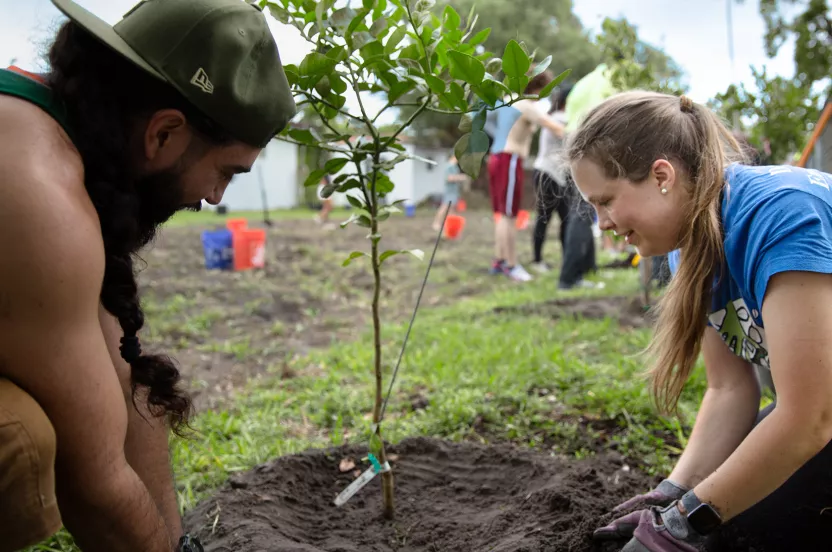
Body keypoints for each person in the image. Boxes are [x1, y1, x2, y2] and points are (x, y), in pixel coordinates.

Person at [0, 1, 295, 551]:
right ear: (164, 133)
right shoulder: (40, 193)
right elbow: (97, 488)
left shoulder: (47, 121)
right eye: (226, 172)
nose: (214, 198)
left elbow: (122, 375)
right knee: (20, 440)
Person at [568, 90, 832, 551]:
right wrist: (671, 498)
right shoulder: (690, 242)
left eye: (606, 201)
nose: (602, 224)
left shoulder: (782, 216)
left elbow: (812, 416)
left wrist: (686, 524)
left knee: (753, 526)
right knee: (734, 504)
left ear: (662, 176)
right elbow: (730, 389)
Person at [487, 71, 566, 282]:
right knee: (509, 214)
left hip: (496, 158)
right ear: (536, 87)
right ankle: (512, 265)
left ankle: (500, 260)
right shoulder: (525, 105)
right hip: (510, 159)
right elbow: (555, 128)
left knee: (502, 214)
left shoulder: (507, 100)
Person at [529, 85, 572, 273]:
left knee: (564, 219)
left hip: (558, 176)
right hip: (548, 174)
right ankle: (537, 261)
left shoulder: (558, 118)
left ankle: (566, 260)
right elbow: (570, 135)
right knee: (544, 218)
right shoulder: (559, 119)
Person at [432, 154, 468, 232]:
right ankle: (436, 223)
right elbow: (449, 178)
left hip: (454, 191)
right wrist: (461, 177)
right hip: (449, 191)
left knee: (451, 209)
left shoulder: (455, 167)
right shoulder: (449, 166)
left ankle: (449, 225)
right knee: (444, 207)